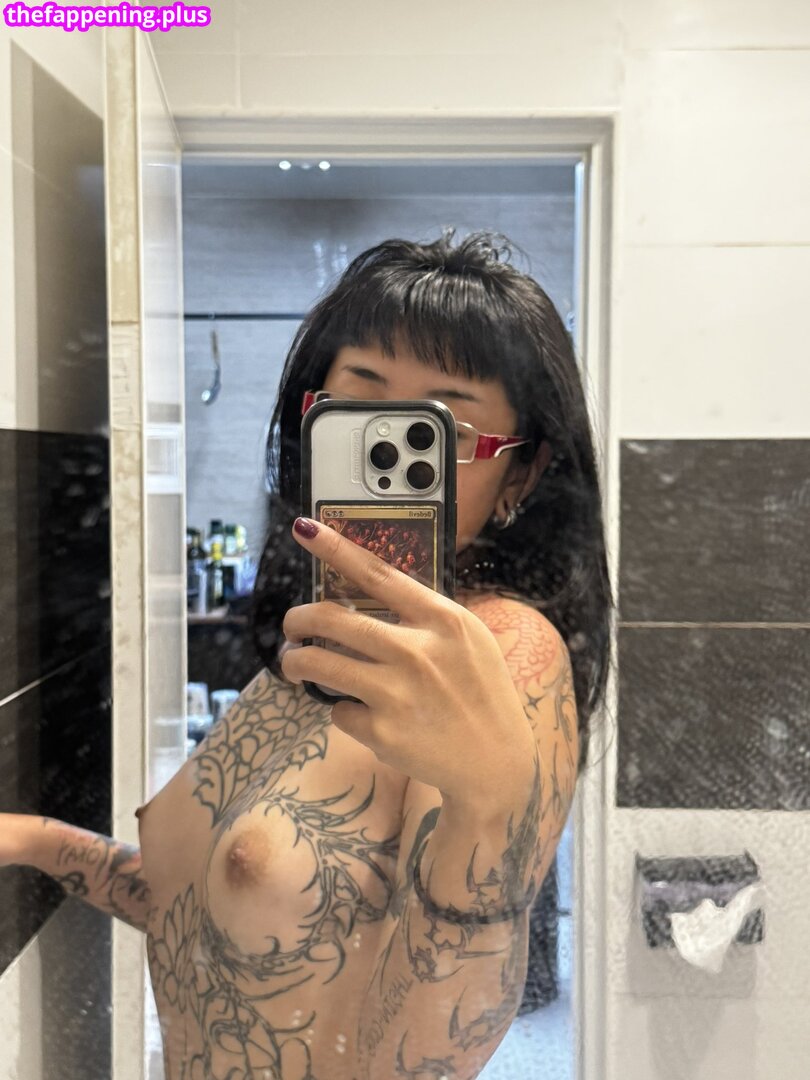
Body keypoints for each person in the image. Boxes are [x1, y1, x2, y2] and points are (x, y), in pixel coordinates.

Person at [0, 230, 612, 1080]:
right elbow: (214, 915)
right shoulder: (320, 640)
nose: (385, 454)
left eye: (436, 429)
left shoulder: (502, 658)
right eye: (358, 409)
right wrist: (34, 840)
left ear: (520, 475)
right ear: (310, 426)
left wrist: (489, 813)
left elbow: (425, 1062)